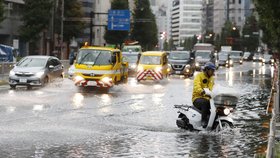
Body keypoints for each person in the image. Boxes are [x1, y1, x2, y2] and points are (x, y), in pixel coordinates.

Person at [192, 62, 216, 128]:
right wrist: (201, 91)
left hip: (208, 99)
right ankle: (203, 121)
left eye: (213, 70)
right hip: (197, 98)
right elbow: (196, 86)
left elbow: (213, 88)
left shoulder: (212, 78)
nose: (213, 72)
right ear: (207, 69)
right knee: (205, 103)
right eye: (212, 70)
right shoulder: (199, 76)